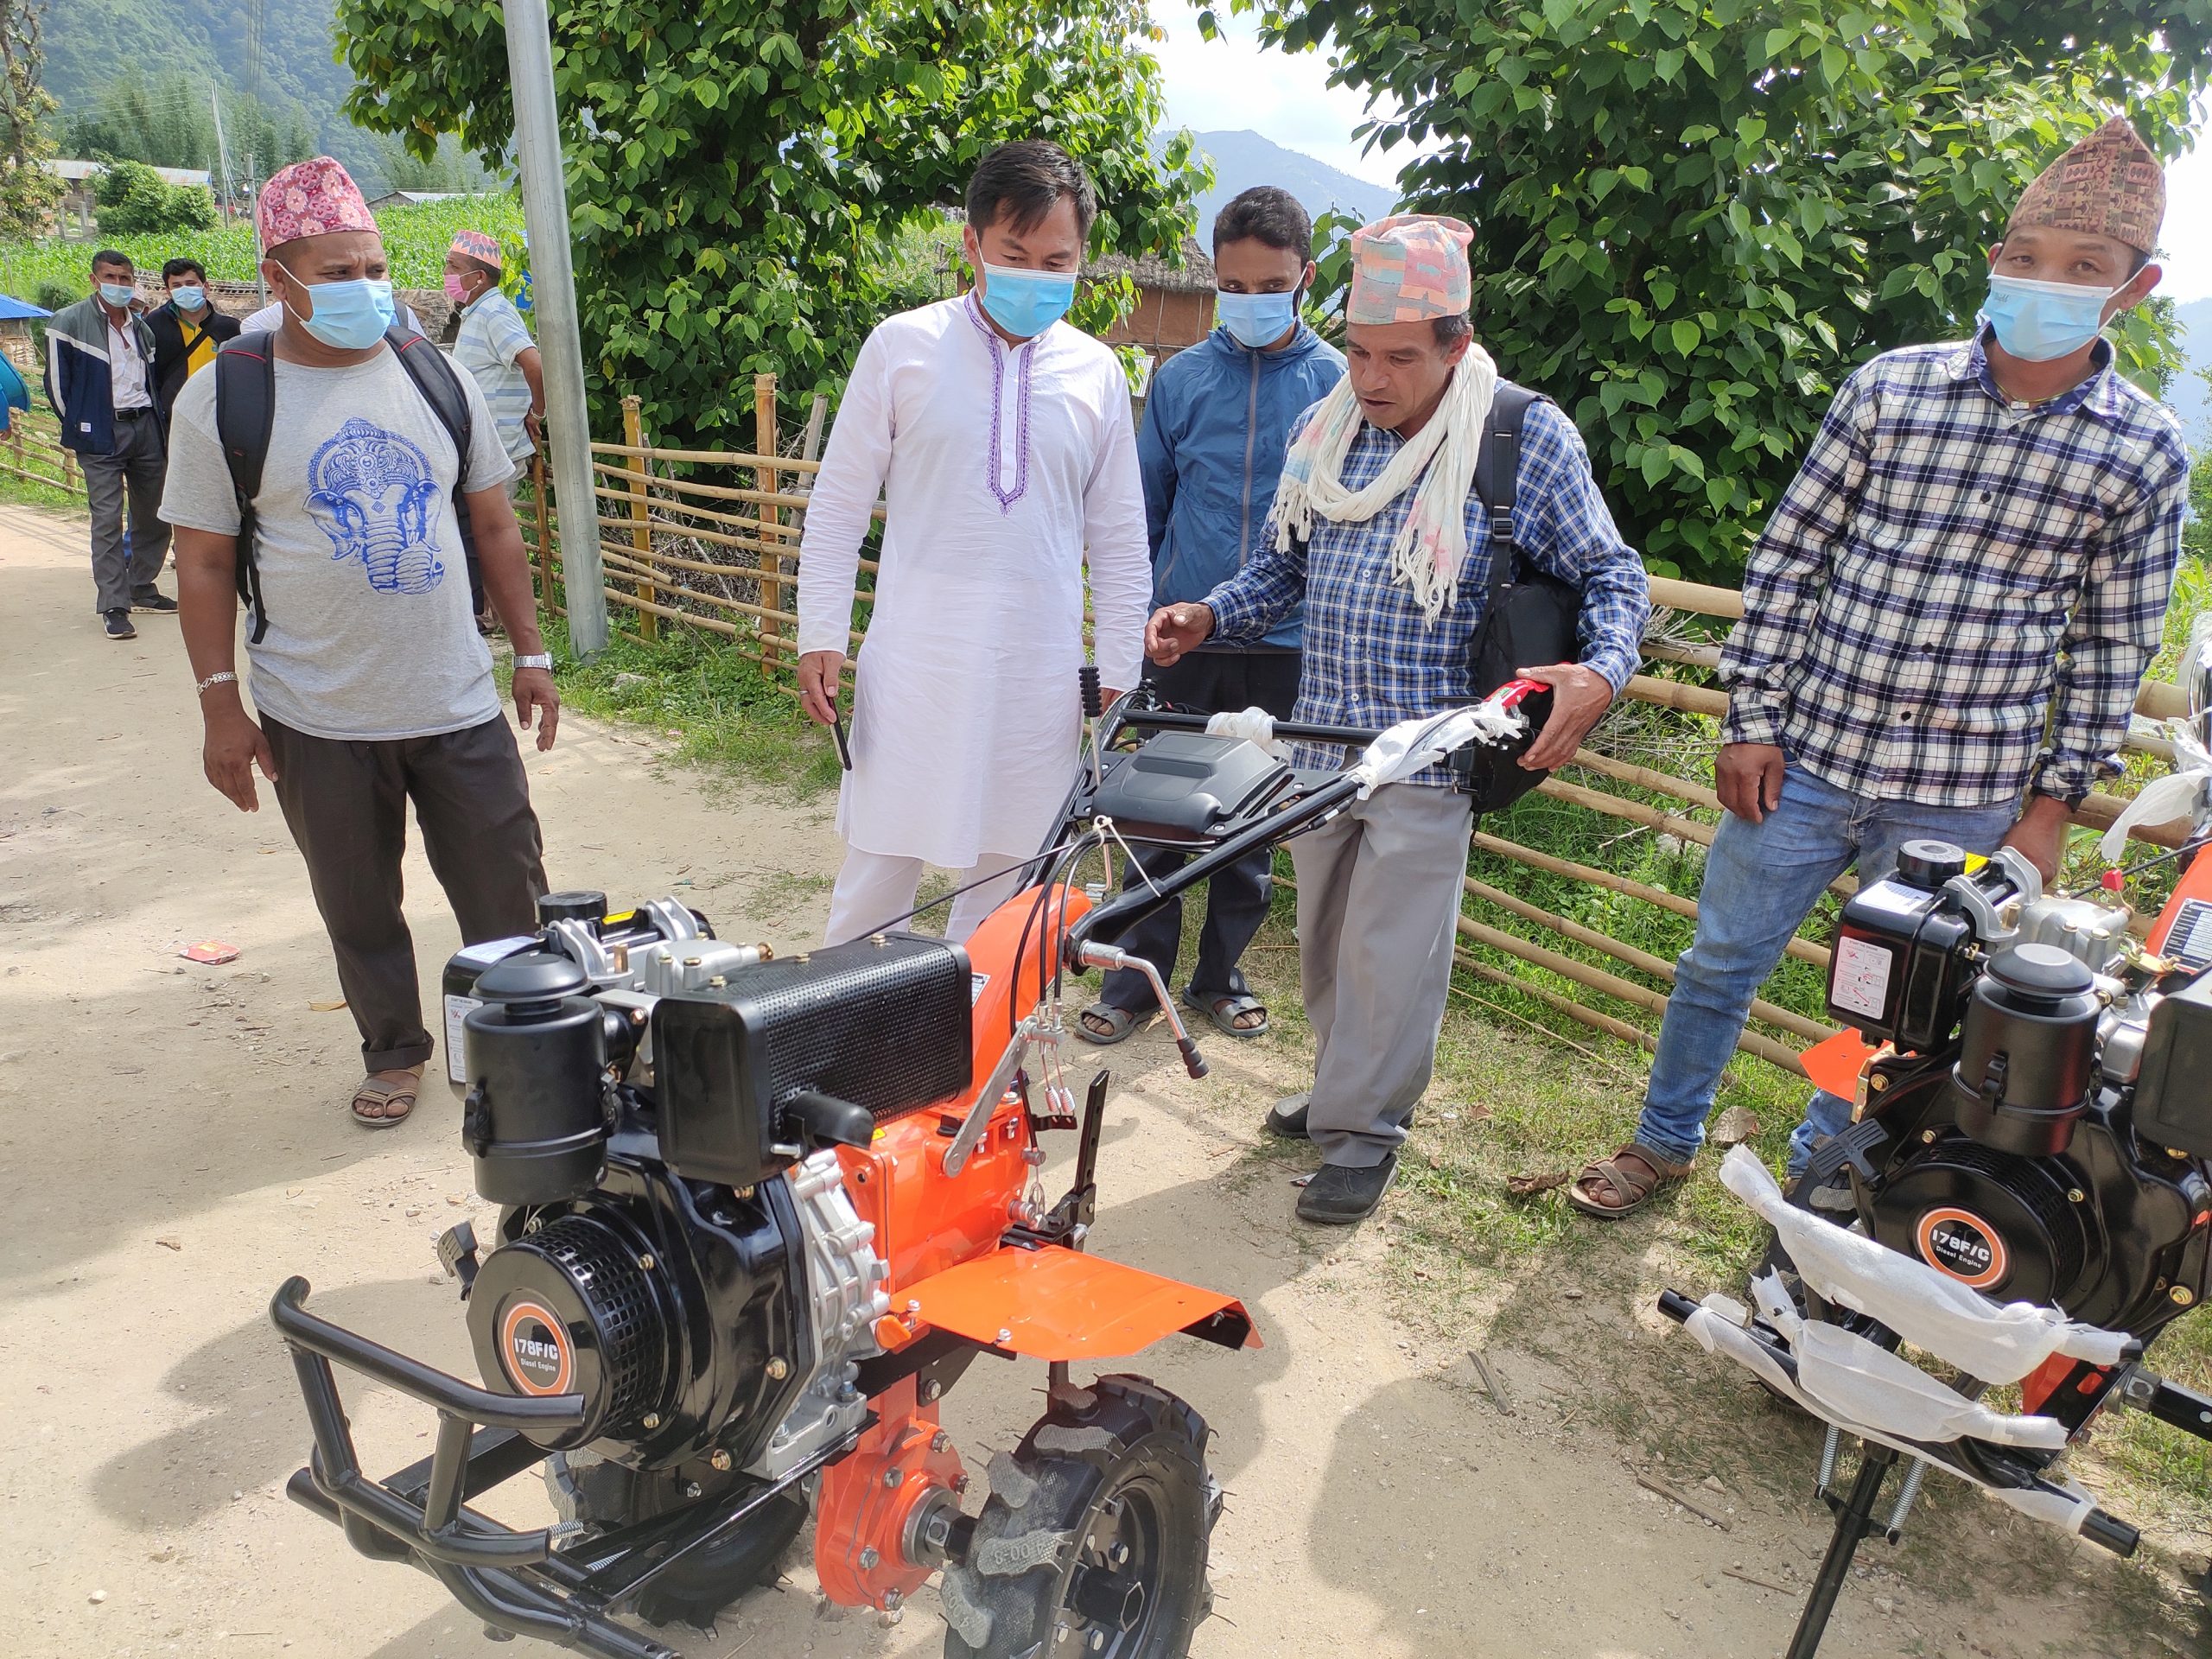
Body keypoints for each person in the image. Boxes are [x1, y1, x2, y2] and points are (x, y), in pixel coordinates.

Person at [1570, 117, 2189, 1219]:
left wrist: (2050, 809)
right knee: (1719, 963)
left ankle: (1825, 1183)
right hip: (1806, 754)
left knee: (1900, 1009)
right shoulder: (1888, 389)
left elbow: (2108, 645)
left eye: (2081, 268)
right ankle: (1661, 1144)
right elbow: (1793, 555)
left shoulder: (2139, 448)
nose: (2043, 281)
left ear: (2131, 290)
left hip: (1964, 796)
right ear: (1997, 259)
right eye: (2025, 257)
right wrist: (1748, 720)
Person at [1147, 214, 1650, 1224]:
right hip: (1322, 744)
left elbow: (1610, 571)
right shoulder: (1323, 429)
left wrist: (1602, 672)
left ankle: (1367, 1135)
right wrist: (1212, 612)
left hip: (1432, 749)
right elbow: (1285, 564)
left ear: (1455, 345)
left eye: (1399, 358)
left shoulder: (1517, 432)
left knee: (1392, 954)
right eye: (1362, 353)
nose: (1371, 379)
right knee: (1329, 943)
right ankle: (1343, 1095)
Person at [162, 156, 562, 1131]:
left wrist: (532, 651)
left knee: (507, 891)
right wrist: (222, 700)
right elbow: (204, 563)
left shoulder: (441, 376)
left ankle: (517, 1048)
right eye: (338, 272)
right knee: (358, 904)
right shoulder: (224, 401)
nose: (366, 287)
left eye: (375, 266)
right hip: (317, 711)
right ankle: (395, 1049)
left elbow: (495, 526)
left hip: (457, 697)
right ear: (280, 278)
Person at [795, 139, 1151, 945]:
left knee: (1009, 886)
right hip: (918, 664)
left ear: (1083, 257)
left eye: (1057, 259)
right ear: (972, 246)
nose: (1035, 274)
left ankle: (977, 1059)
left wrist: (1121, 670)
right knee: (878, 875)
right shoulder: (901, 348)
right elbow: (840, 504)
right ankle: (845, 1052)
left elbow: (1122, 541)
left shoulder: (1097, 373)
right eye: (1014, 254)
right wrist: (821, 633)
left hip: (1041, 678)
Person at [1075, 187, 1345, 1049]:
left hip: (1286, 642)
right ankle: (1132, 979)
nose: (1248, 300)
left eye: (1268, 284)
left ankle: (1217, 977)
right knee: (1154, 810)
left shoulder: (1339, 385)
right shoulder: (1181, 377)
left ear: (1303, 277)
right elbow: (1141, 511)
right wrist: (1137, 617)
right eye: (1232, 284)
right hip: (1178, 634)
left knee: (1255, 818)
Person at [45, 249, 171, 639]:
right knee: (107, 519)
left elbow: (149, 378)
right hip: (100, 432)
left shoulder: (141, 327)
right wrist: (82, 428)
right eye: (111, 277)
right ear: (94, 280)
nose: (119, 284)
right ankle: (114, 605)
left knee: (155, 513)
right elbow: (55, 386)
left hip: (145, 426)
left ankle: (141, 586)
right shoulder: (68, 322)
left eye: (125, 277)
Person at [444, 230, 545, 471]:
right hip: (484, 449)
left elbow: (535, 364)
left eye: (453, 267)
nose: (446, 274)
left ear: (479, 276)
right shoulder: (478, 312)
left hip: (498, 452)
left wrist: (538, 413)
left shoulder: (494, 312)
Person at [148, 257, 241, 417]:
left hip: (218, 414)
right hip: (175, 418)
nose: (184, 289)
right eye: (177, 286)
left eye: (190, 283)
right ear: (168, 292)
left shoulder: (230, 328)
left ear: (206, 287)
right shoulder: (154, 324)